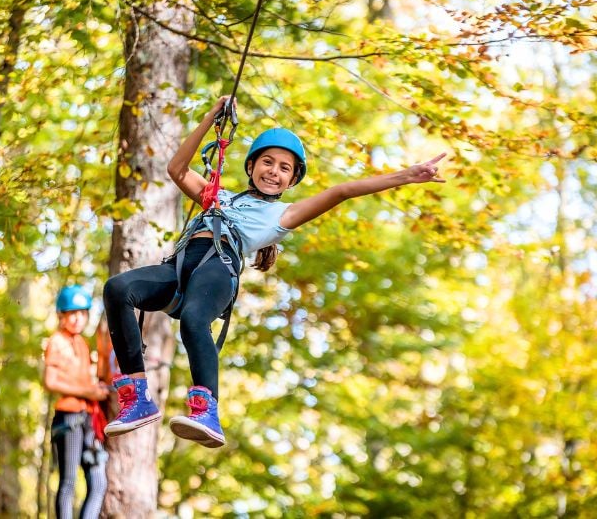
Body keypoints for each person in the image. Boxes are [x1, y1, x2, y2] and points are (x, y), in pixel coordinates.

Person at [102, 96, 446, 448]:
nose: (274, 171)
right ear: (251, 167)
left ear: (291, 180)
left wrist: (406, 176)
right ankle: (137, 396)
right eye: (267, 162)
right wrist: (211, 119)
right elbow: (177, 168)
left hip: (218, 269)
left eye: (284, 168)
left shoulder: (282, 216)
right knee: (117, 289)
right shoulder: (220, 197)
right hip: (178, 268)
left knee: (194, 319)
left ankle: (206, 410)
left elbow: (343, 191)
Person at [43, 285, 111, 519]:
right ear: (62, 316)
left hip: (88, 418)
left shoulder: (82, 343)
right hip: (69, 417)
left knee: (99, 481)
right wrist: (88, 392)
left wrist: (95, 388)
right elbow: (50, 381)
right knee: (69, 481)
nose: (78, 319)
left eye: (82, 313)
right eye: (72, 313)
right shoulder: (57, 341)